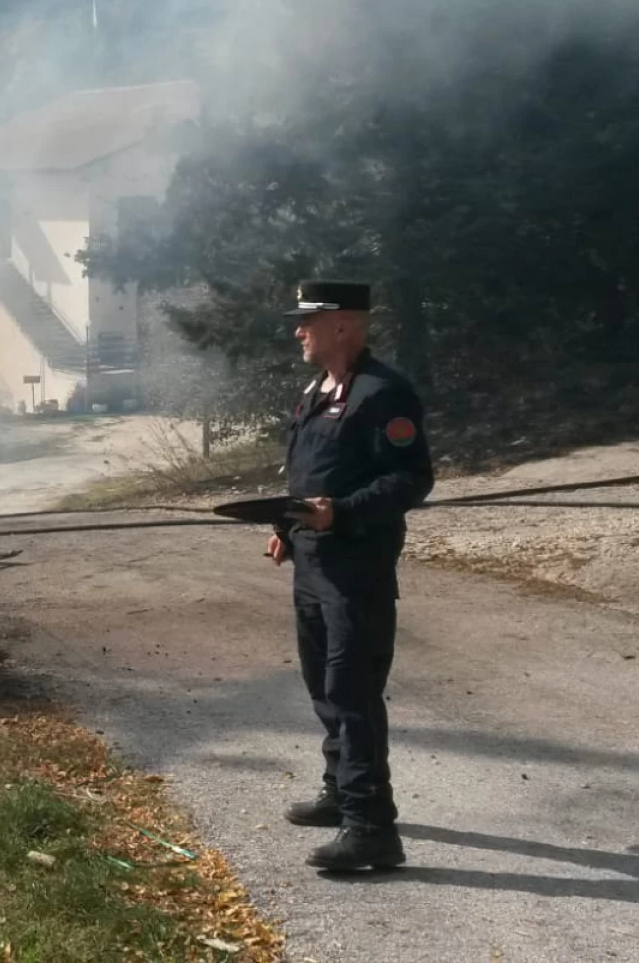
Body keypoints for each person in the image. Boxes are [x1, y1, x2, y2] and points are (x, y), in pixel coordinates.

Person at [266, 280, 433, 872]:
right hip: (313, 564)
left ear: (343, 326)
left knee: (353, 691)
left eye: (308, 321)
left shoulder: (382, 394)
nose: (297, 331)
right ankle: (341, 792)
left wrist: (343, 513)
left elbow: (410, 480)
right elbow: (312, 471)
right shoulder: (317, 391)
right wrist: (288, 528)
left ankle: (372, 828)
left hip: (357, 568)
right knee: (322, 683)